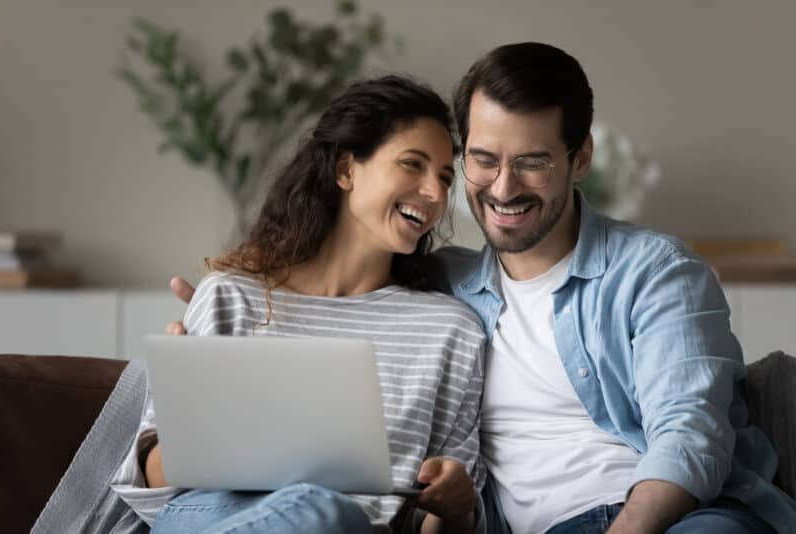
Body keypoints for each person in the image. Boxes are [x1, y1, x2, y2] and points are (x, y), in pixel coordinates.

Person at [169, 43, 796, 533]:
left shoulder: (653, 272)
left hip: (673, 520)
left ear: (580, 159)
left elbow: (689, 436)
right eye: (481, 160)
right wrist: (213, 348)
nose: (501, 188)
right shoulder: (448, 286)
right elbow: (327, 289)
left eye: (532, 161)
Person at [114, 75, 489, 534]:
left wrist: (455, 508)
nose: (435, 193)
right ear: (346, 170)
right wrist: (193, 414)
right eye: (413, 165)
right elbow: (152, 482)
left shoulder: (450, 331)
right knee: (316, 507)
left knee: (326, 512)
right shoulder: (229, 296)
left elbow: (431, 523)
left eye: (445, 177)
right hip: (210, 515)